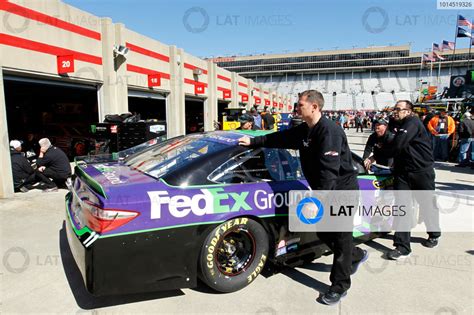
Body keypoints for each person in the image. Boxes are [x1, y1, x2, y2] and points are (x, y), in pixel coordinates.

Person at [238, 90, 368, 305]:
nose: (297, 108)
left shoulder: (330, 131)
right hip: (323, 189)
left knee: (341, 236)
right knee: (324, 232)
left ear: (314, 107)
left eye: (300, 105)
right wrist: (253, 142)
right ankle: (355, 255)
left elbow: (329, 171)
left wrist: (316, 201)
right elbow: (279, 138)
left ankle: (339, 285)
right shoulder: (305, 129)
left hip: (342, 191)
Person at [382, 100, 441, 260]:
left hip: (421, 170)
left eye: (399, 109)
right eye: (394, 108)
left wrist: (384, 148)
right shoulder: (395, 122)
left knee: (427, 204)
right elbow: (387, 140)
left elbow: (397, 145)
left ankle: (434, 233)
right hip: (402, 172)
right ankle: (402, 247)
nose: (395, 111)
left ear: (408, 111)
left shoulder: (412, 122)